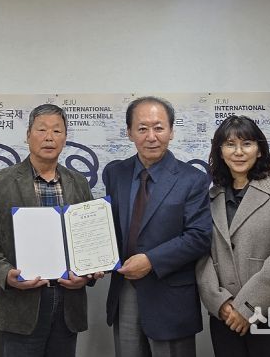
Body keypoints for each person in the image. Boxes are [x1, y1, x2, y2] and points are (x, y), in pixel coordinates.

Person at [0, 104, 101, 357]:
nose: (49, 137)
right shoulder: (1, 182)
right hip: (20, 304)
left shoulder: (78, 182)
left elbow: (89, 238)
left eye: (57, 131)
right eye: (42, 129)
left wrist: (87, 275)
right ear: (28, 134)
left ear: (65, 137)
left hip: (68, 302)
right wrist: (5, 274)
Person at [103, 96, 212, 357]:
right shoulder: (115, 173)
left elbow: (199, 236)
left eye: (159, 128)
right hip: (125, 290)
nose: (151, 137)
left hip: (170, 296)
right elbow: (108, 227)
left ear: (171, 131)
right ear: (129, 132)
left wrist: (151, 261)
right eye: (142, 128)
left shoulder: (193, 179)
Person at [196, 115, 270, 357]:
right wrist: (219, 302)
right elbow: (202, 256)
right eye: (230, 144)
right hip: (226, 318)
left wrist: (247, 307)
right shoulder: (210, 198)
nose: (238, 152)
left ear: (259, 150)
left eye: (246, 144)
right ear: (220, 152)